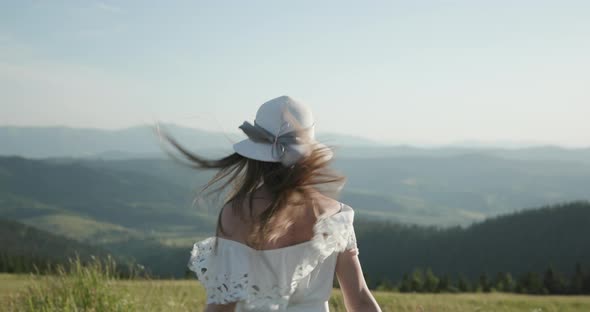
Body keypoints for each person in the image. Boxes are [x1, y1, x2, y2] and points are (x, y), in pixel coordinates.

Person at [158, 96, 381, 312]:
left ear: (255, 157)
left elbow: (223, 305)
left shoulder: (236, 214)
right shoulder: (336, 215)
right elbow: (360, 300)